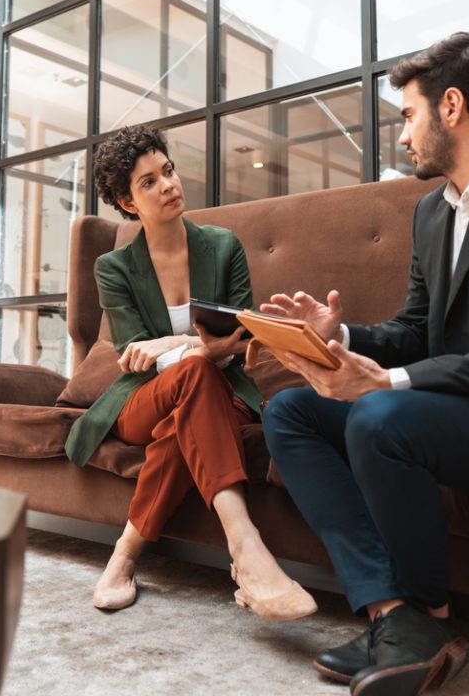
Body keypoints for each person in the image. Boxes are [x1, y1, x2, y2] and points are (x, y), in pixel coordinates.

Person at [260, 32, 469, 696]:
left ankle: (427, 614)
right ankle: (396, 615)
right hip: (444, 410)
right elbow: (414, 332)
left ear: (451, 105)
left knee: (378, 416)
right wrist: (337, 333)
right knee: (290, 410)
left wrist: (387, 381)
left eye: (408, 114)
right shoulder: (431, 212)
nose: (403, 135)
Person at [65, 125, 316, 621]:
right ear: (127, 201)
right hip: (142, 398)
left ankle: (126, 555)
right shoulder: (113, 267)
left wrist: (174, 344)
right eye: (148, 183)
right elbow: (137, 357)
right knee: (195, 377)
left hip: (223, 389)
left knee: (190, 406)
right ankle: (245, 548)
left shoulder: (223, 247)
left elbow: (244, 338)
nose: (168, 186)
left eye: (168, 171)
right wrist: (196, 348)